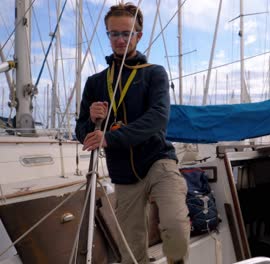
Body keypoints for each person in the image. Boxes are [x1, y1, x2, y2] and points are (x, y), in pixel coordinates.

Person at [75, 2, 190, 264]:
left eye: (126, 34)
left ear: (138, 35)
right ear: (108, 34)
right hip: (124, 174)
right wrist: (91, 121)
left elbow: (158, 119)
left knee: (175, 227)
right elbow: (82, 132)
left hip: (158, 160)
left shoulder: (153, 74)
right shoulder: (95, 83)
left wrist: (110, 137)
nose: (120, 40)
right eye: (114, 33)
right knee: (131, 250)